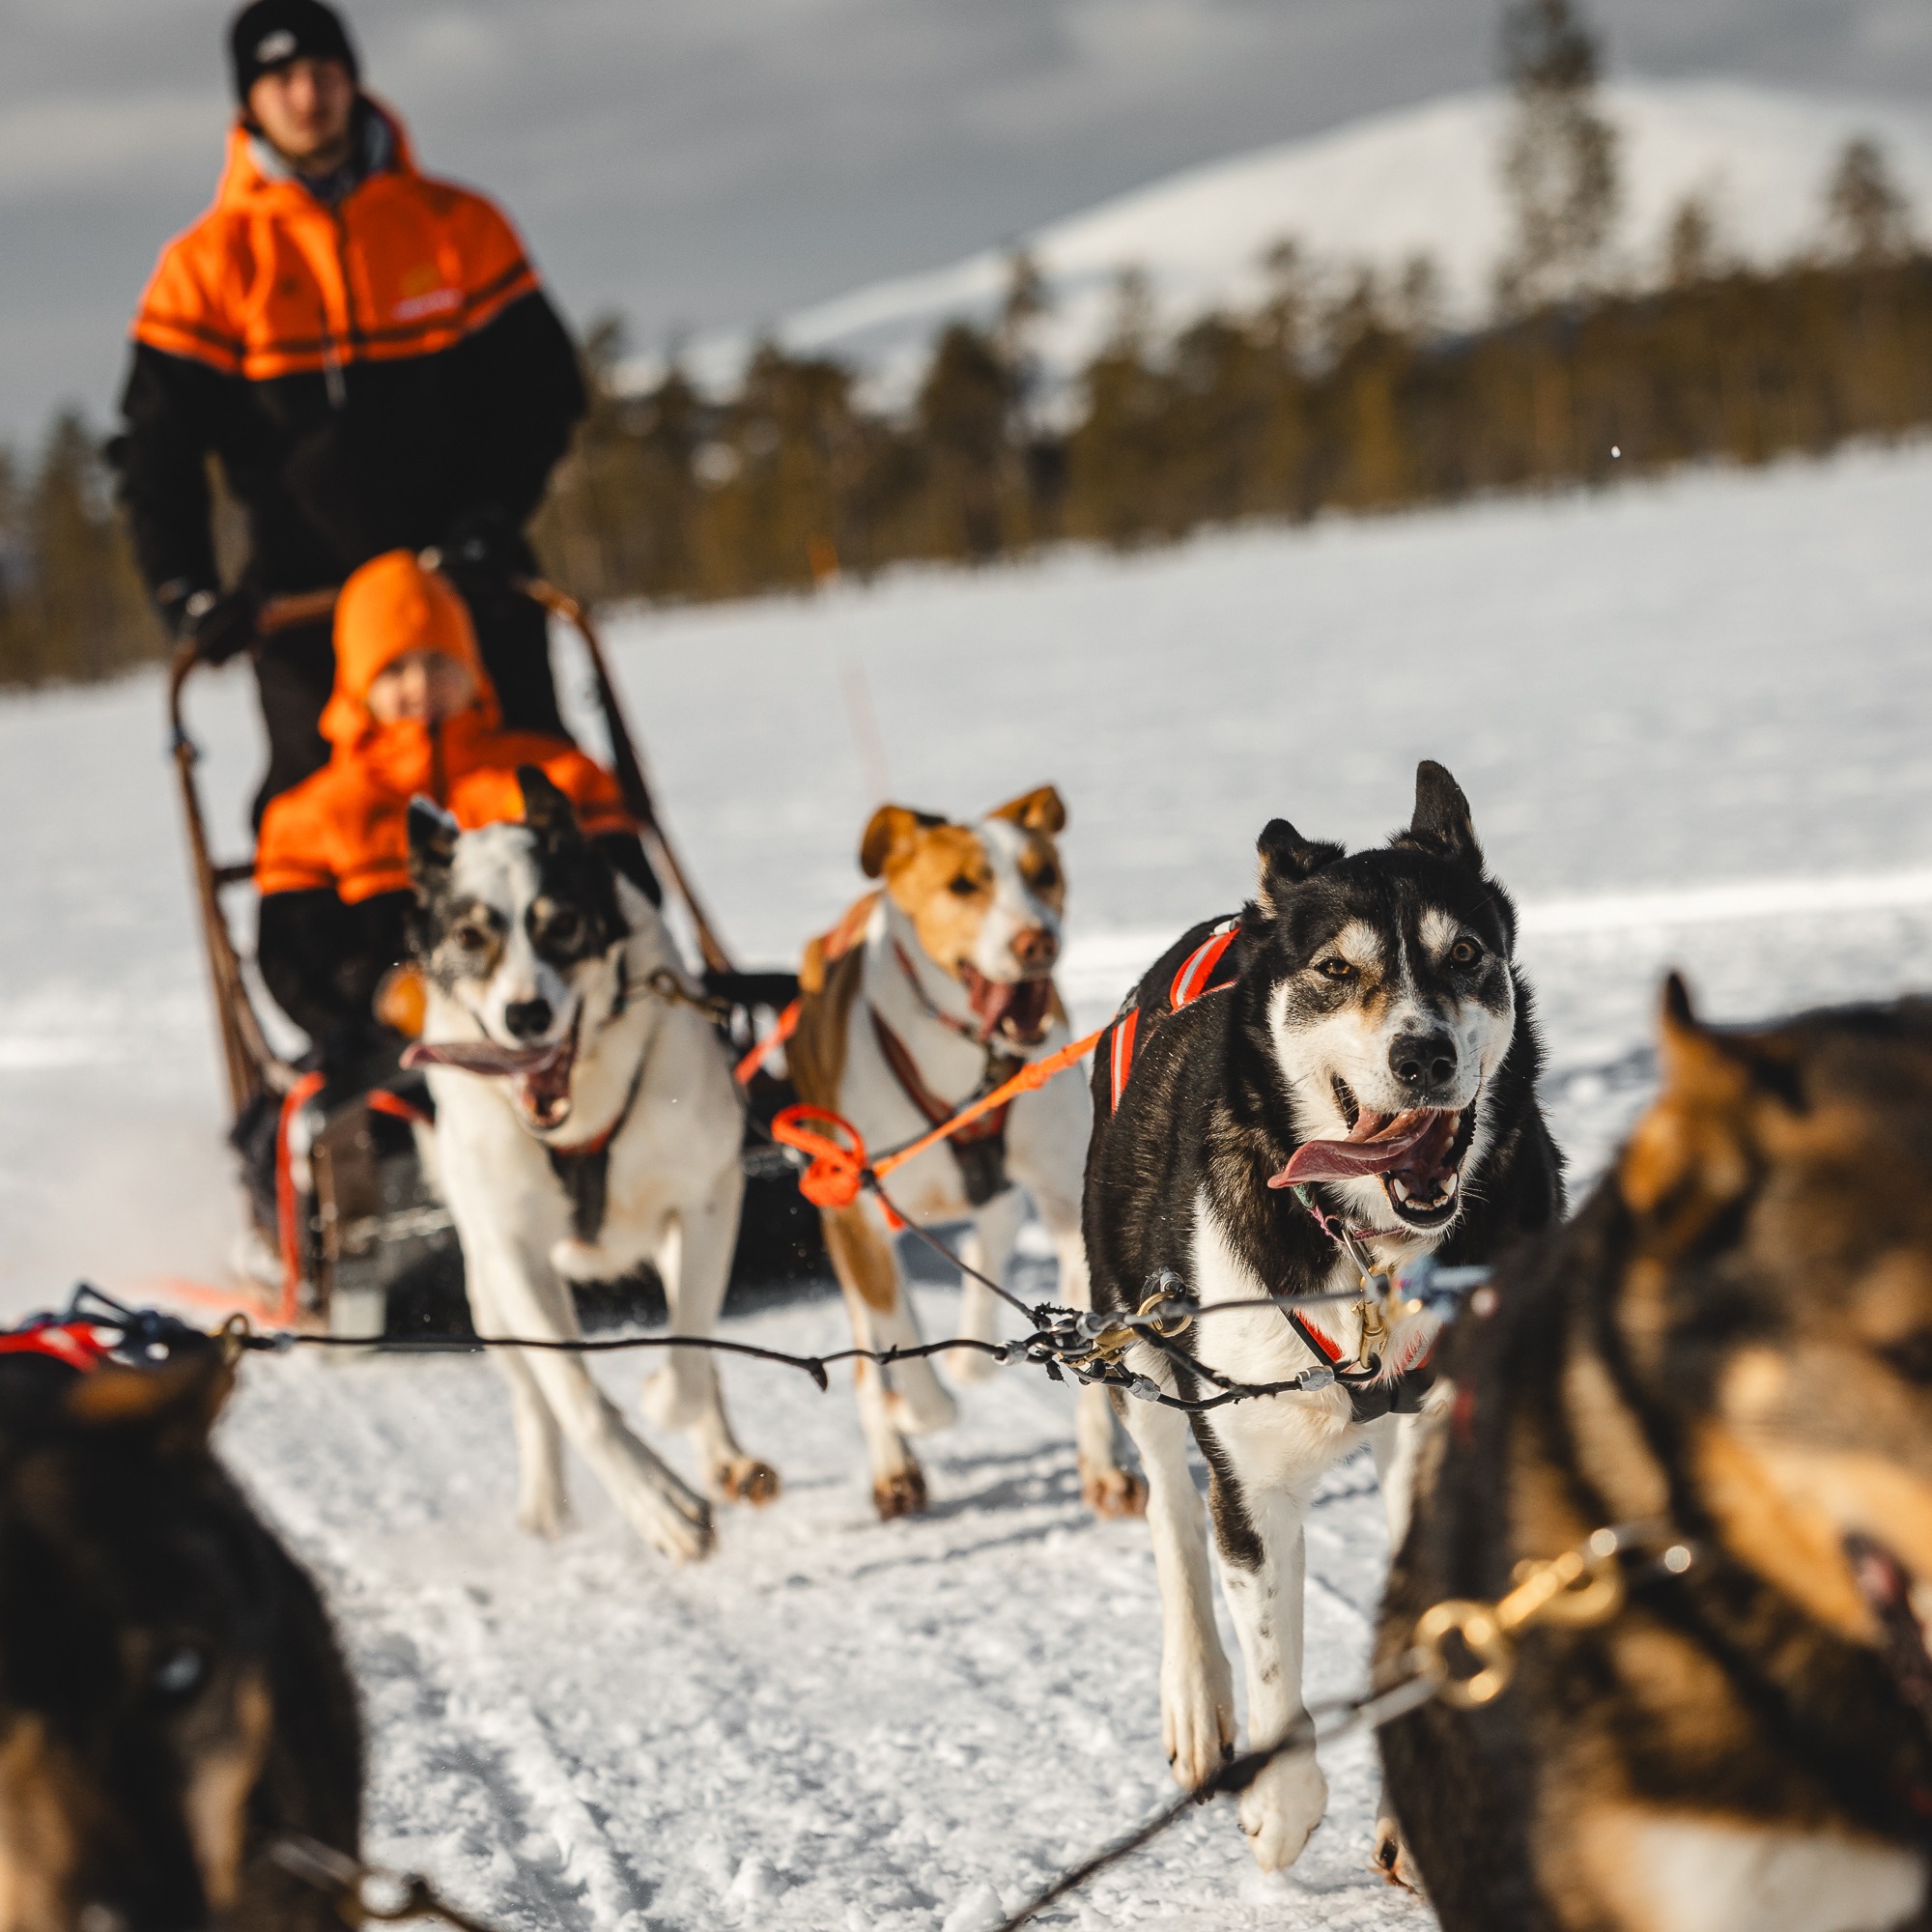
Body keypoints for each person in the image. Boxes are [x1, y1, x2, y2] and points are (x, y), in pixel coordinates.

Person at [114, 0, 587, 821]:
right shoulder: (209, 268)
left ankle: (614, 945)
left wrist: (492, 517)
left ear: (353, 82)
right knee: (325, 824)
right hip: (305, 605)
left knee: (550, 797)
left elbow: (544, 391)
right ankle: (342, 955)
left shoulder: (457, 227)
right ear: (249, 102)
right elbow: (154, 452)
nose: (306, 97)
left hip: (469, 579)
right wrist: (185, 591)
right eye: (282, 79)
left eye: (323, 74)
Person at [253, 550, 656, 1065]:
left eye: (440, 662)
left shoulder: (557, 777)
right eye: (394, 669)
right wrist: (382, 996)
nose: (421, 686)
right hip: (395, 1049)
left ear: (473, 668)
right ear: (358, 687)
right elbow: (296, 960)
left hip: (567, 1019)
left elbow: (630, 896)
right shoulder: (313, 816)